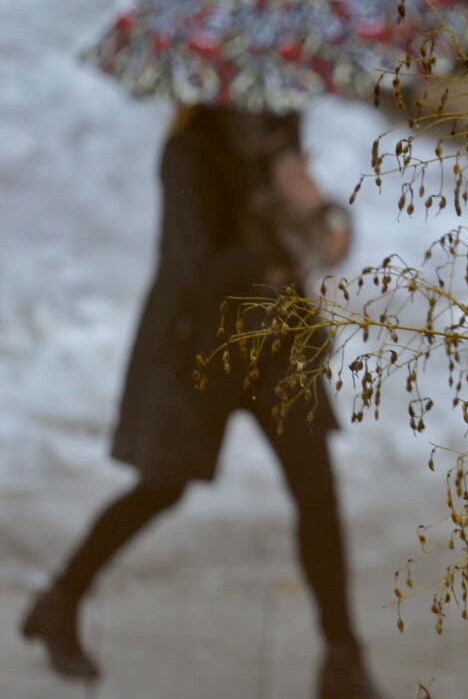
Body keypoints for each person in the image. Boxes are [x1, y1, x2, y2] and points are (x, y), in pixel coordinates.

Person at [20, 106, 388, 699]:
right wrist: (277, 238)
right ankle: (60, 601)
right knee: (162, 486)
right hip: (202, 347)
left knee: (317, 494)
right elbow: (197, 263)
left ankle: (342, 658)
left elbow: (324, 246)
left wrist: (316, 205)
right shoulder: (189, 151)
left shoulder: (281, 137)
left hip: (278, 343)